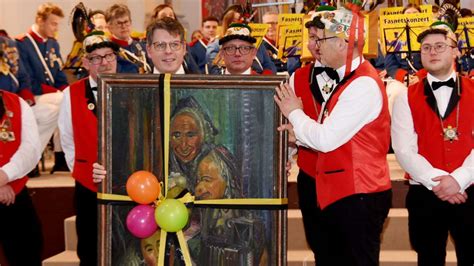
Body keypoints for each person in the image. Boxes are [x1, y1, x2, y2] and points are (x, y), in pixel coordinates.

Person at [274, 7, 392, 265]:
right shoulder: (347, 77)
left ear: (342, 43)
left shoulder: (362, 84)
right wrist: (297, 139)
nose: (315, 47)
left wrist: (294, 112)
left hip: (357, 192)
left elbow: (326, 139)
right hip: (334, 190)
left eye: (321, 40)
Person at [391, 22, 474, 266]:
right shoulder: (405, 96)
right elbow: (404, 148)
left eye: (440, 46)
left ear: (455, 51)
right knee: (428, 259)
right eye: (426, 48)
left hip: (470, 190)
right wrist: (439, 182)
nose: (432, 52)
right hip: (425, 193)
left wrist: (458, 180)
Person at [280, 5, 340, 263]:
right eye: (312, 38)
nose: (316, 44)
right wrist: (288, 155)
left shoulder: (353, 75)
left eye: (321, 37)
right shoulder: (296, 77)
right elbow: (289, 124)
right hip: (309, 175)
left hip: (342, 177)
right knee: (318, 245)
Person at [58, 31, 118, 265]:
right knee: (89, 247)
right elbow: (67, 141)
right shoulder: (69, 95)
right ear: (85, 62)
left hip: (127, 183)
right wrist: (83, 170)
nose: (103, 62)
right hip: (86, 184)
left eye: (108, 56)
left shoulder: (134, 87)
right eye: (96, 58)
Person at [15, 2, 68, 173]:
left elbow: (59, 75)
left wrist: (67, 90)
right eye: (53, 23)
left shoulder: (53, 44)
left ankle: (32, 158)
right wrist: (60, 93)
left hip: (52, 99)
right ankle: (33, 158)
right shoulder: (22, 43)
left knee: (67, 103)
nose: (56, 27)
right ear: (40, 20)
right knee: (63, 102)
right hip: (33, 96)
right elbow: (27, 80)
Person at [0, 89, 43, 266]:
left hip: (13, 194)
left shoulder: (17, 103)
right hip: (5, 188)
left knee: (29, 249)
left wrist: (5, 174)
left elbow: (31, 148)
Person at [206, 4, 276, 75]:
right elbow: (216, 74)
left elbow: (270, 66)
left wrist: (263, 80)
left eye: (246, 22)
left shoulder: (256, 42)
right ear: (229, 24)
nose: (244, 25)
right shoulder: (215, 46)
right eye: (239, 22)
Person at [105, 4, 151, 73]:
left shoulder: (142, 46)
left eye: (126, 22)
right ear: (109, 27)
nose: (123, 26)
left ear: (131, 22)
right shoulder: (109, 51)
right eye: (119, 23)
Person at [384, 3, 424, 84]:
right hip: (401, 80)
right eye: (408, 14)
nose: (411, 17)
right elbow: (390, 65)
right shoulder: (394, 38)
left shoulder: (428, 38)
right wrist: (404, 76)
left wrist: (419, 76)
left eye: (415, 14)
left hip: (423, 77)